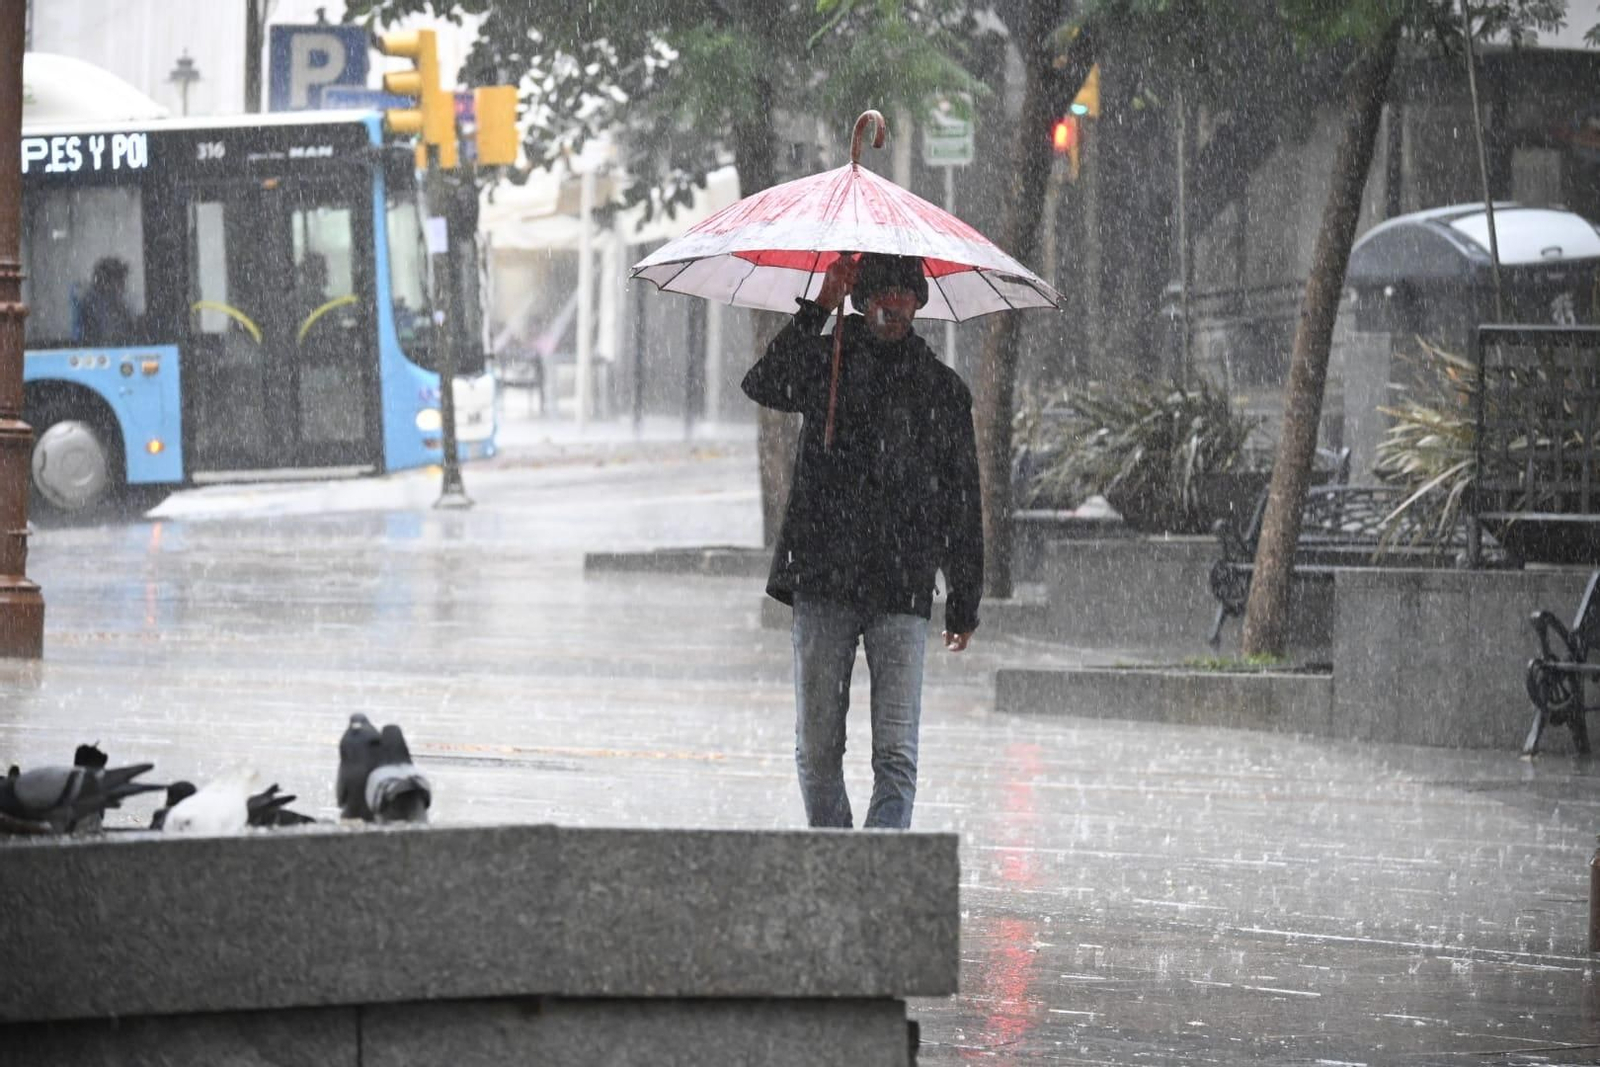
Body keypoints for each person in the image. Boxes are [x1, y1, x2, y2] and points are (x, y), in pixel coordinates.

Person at [742, 251, 984, 830]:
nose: (892, 305)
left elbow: (962, 499)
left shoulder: (940, 390)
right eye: (880, 293)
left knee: (896, 754)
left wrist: (964, 597)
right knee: (817, 749)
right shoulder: (826, 363)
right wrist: (818, 307)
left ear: (919, 302)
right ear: (860, 299)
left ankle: (880, 866)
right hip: (823, 577)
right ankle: (839, 859)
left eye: (904, 294)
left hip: (901, 585)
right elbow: (764, 383)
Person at [78, 256, 136, 345]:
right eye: (120, 281)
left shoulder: (118, 304)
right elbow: (110, 337)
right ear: (107, 283)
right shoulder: (97, 306)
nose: (124, 286)